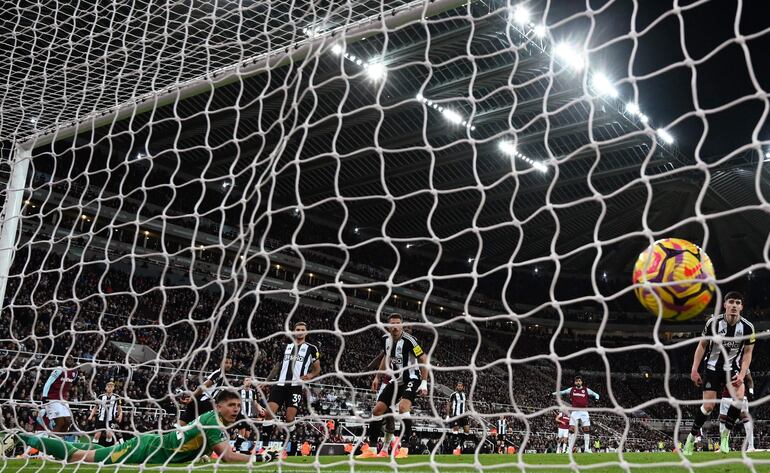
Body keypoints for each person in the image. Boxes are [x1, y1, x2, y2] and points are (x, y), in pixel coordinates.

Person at [3, 391, 274, 465]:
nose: (237, 409)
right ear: (218, 407)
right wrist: (258, 457)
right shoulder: (213, 423)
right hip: (144, 450)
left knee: (94, 448)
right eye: (232, 405)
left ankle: (30, 440)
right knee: (77, 457)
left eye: (238, 405)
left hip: (152, 445)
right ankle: (22, 436)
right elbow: (226, 456)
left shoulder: (211, 421)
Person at [683, 292, 755, 455]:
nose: (734, 305)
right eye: (731, 302)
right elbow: (702, 346)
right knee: (708, 406)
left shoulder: (747, 327)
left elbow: (748, 353)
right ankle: (691, 438)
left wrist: (743, 374)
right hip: (712, 367)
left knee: (739, 400)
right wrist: (694, 369)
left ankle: (725, 436)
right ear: (725, 305)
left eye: (738, 302)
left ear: (741, 307)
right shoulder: (713, 323)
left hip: (733, 368)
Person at [358, 313, 429, 460]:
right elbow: (386, 357)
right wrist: (378, 377)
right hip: (396, 380)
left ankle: (404, 448)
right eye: (392, 323)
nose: (395, 326)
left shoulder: (410, 340)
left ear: (401, 325)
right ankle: (371, 450)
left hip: (412, 377)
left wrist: (424, 382)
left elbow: (423, 358)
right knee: (377, 411)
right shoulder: (386, 340)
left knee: (403, 408)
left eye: (398, 323)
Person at [261, 322, 321, 455]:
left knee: (289, 418)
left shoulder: (312, 348)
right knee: (269, 413)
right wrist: (266, 382)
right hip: (280, 385)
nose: (299, 331)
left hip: (296, 387)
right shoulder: (285, 347)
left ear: (306, 332)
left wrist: (310, 375)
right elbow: (277, 366)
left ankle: (292, 443)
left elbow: (317, 368)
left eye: (302, 330)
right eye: (297, 329)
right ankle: (263, 447)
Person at [179, 356, 234, 426]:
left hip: (200, 401)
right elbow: (202, 387)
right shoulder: (218, 374)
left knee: (182, 425)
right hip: (203, 403)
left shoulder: (221, 375)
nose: (228, 365)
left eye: (230, 363)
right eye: (226, 362)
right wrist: (191, 398)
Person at [552, 375, 600, 453]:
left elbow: (596, 394)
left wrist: (597, 400)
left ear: (581, 382)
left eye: (579, 381)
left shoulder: (586, 390)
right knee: (571, 429)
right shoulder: (571, 389)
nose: (578, 382)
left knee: (586, 429)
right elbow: (561, 392)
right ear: (575, 382)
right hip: (574, 411)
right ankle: (569, 448)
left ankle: (587, 449)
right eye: (577, 381)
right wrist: (552, 394)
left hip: (584, 411)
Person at [718, 370, 755, 451]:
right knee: (723, 421)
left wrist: (751, 391)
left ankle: (751, 446)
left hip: (740, 396)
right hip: (726, 396)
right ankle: (723, 446)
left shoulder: (744, 363)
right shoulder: (722, 363)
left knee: (746, 419)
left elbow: (749, 379)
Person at [41, 361, 79, 434]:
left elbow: (72, 384)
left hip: (63, 399)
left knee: (68, 422)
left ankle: (59, 441)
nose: (69, 359)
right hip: (52, 398)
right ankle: (51, 441)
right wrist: (44, 396)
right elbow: (48, 382)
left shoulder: (75, 372)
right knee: (60, 423)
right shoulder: (59, 369)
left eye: (71, 358)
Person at [88, 381, 123, 446]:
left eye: (111, 387)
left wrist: (120, 415)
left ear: (113, 388)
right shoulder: (101, 396)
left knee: (109, 435)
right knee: (97, 435)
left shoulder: (117, 397)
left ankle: (107, 449)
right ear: (105, 388)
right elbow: (95, 407)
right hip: (101, 419)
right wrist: (91, 415)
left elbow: (120, 409)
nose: (110, 388)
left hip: (111, 419)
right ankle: (92, 450)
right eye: (108, 387)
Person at [446, 381, 469, 453]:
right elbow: (449, 405)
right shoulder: (453, 395)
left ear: (463, 387)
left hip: (463, 415)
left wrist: (467, 411)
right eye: (458, 386)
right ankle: (453, 449)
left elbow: (465, 405)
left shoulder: (465, 395)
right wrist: (447, 415)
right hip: (456, 415)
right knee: (456, 430)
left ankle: (459, 446)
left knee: (467, 430)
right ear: (456, 387)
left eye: (461, 386)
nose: (459, 387)